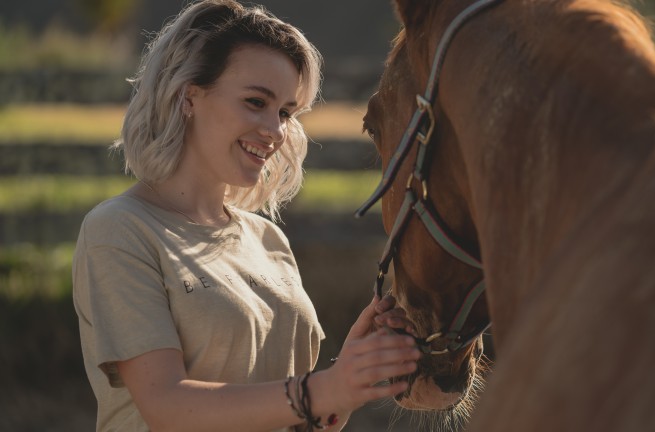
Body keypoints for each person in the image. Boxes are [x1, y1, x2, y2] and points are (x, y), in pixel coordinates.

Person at [71, 1, 419, 431]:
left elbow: (296, 414)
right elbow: (166, 405)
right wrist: (322, 390)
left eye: (286, 112)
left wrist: (346, 382)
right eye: (256, 102)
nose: (275, 130)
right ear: (189, 96)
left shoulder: (266, 239)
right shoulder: (120, 230)